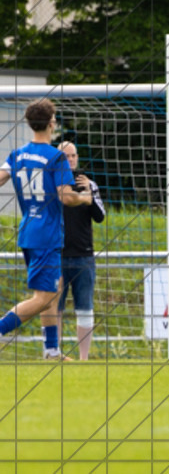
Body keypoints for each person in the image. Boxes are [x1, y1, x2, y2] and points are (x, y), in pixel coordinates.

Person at [0, 99, 91, 360]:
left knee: (53, 291)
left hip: (29, 231)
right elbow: (66, 197)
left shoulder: (17, 155)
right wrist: (85, 198)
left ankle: (51, 350)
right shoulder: (56, 157)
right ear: (51, 123)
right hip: (47, 235)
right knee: (44, 297)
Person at [57, 141, 106, 361]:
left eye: (73, 156)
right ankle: (53, 352)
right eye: (65, 156)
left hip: (83, 256)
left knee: (85, 308)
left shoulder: (89, 184)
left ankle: (83, 359)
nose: (70, 160)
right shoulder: (52, 183)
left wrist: (88, 194)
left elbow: (100, 216)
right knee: (54, 307)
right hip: (56, 256)